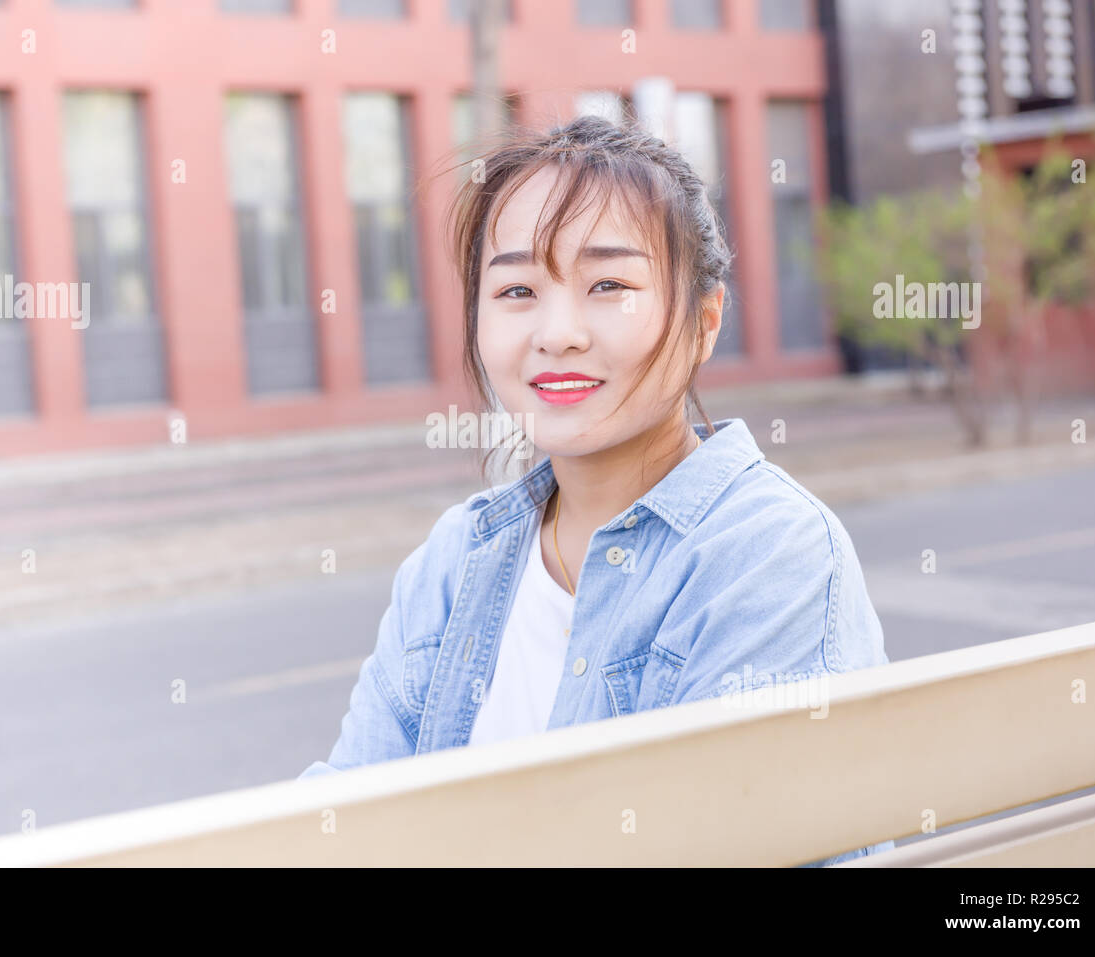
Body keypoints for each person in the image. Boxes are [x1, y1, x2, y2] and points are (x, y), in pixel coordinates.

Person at [299, 114, 893, 866]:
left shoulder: (769, 554)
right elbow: (340, 822)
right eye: (517, 288)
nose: (558, 332)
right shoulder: (459, 557)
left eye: (608, 283)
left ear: (704, 321)